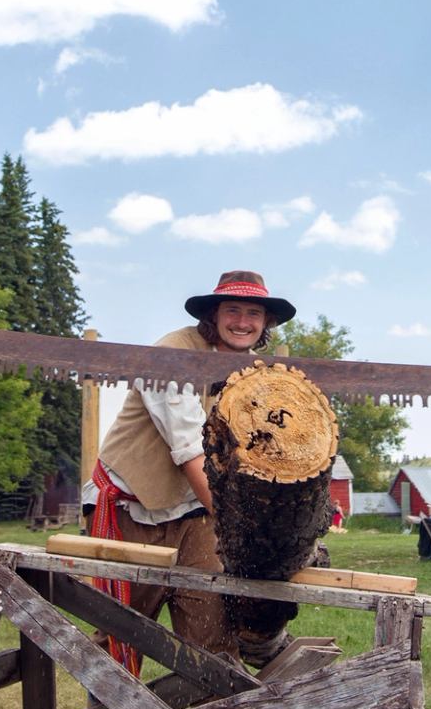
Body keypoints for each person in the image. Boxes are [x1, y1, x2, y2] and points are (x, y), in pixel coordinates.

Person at [82, 270, 296, 672]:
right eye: (233, 309)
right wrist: (239, 526)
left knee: (212, 634)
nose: (242, 322)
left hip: (195, 512)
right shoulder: (171, 354)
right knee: (122, 633)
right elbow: (189, 449)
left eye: (254, 312)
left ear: (266, 322)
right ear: (213, 314)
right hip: (133, 506)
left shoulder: (260, 375)